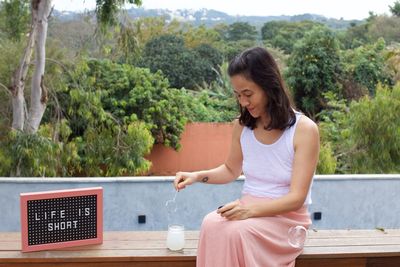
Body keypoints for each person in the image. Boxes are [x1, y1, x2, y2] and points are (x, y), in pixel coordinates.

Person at [173, 47, 320, 267]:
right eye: (238, 95)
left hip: (286, 219)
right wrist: (196, 176)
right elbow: (231, 170)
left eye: (248, 94)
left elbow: (297, 197)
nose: (242, 102)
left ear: (269, 86)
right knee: (210, 224)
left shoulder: (304, 130)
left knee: (236, 233)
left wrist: (249, 211)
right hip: (248, 209)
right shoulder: (242, 127)